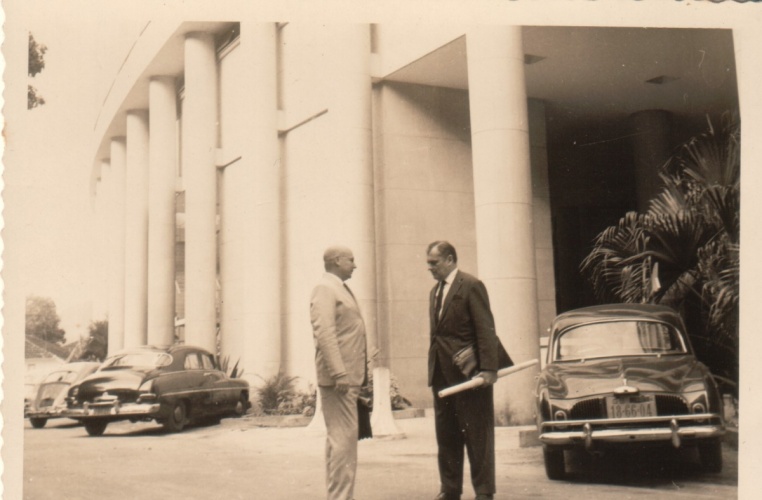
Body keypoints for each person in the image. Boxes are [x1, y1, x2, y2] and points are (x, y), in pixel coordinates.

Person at [426, 240, 507, 500]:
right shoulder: (434, 292)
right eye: (428, 263)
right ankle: (449, 489)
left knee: (477, 436)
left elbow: (486, 329)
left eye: (434, 263)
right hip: (441, 377)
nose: (430, 268)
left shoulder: (471, 285)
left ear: (450, 260)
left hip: (470, 376)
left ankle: (484, 491)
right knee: (447, 436)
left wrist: (489, 369)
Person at [310, 245, 369, 500]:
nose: (355, 265)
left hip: (345, 378)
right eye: (351, 260)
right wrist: (339, 374)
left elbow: (344, 333)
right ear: (336, 261)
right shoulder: (325, 288)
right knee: (343, 444)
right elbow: (325, 333)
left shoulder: (338, 288)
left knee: (340, 443)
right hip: (339, 381)